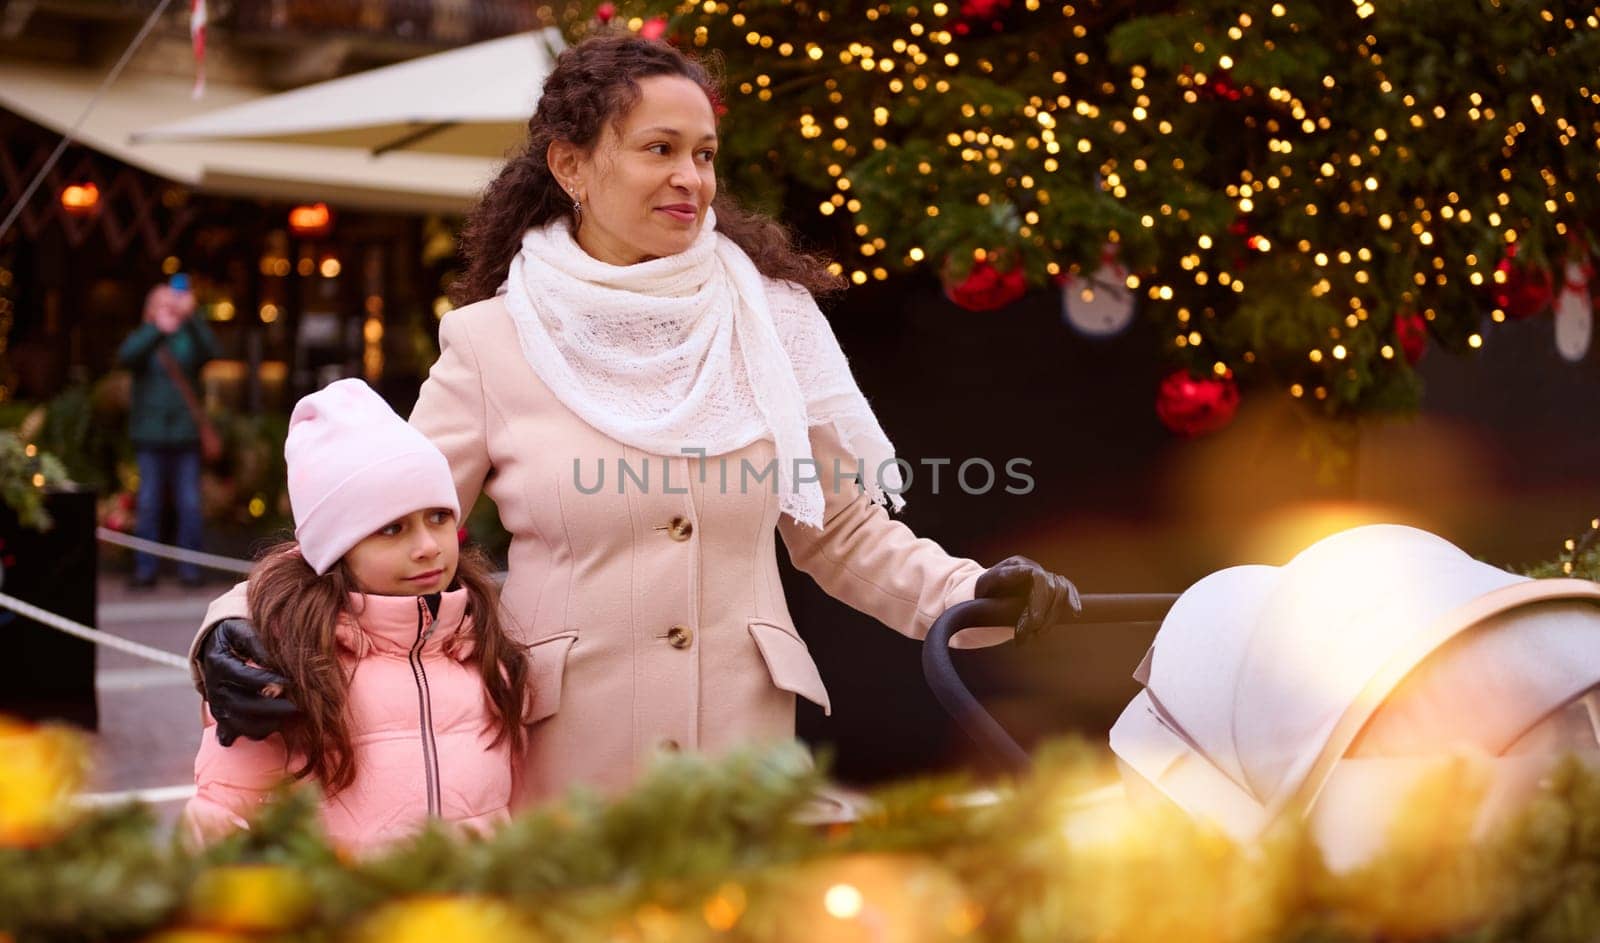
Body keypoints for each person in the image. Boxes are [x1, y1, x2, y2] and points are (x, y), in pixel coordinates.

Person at [191, 33, 1081, 801]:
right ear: (571, 164)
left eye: (704, 153)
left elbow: (840, 529)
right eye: (659, 148)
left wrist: (972, 593)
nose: (690, 177)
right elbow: (371, 521)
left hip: (744, 755)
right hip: (564, 761)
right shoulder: (492, 343)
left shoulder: (772, 323)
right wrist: (235, 622)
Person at [183, 379, 531, 853]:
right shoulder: (286, 668)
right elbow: (220, 820)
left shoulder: (486, 649)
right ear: (337, 549)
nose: (427, 546)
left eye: (438, 517)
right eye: (391, 528)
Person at [116, 275, 216, 587]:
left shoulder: (187, 338)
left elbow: (210, 351)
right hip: (150, 436)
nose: (168, 310)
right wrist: (155, 329)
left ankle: (191, 569)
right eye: (162, 304)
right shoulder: (145, 338)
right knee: (148, 504)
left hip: (185, 436)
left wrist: (192, 316)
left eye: (172, 305)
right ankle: (145, 570)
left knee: (189, 503)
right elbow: (126, 357)